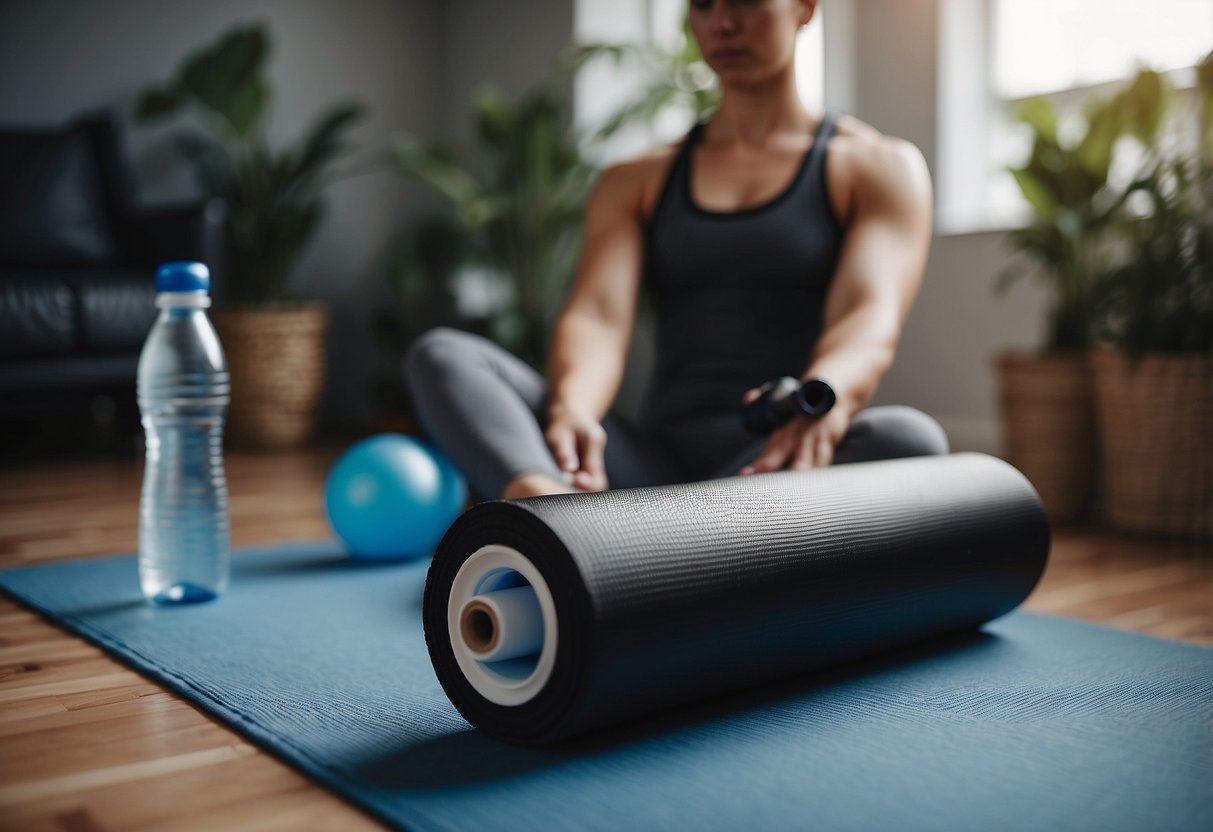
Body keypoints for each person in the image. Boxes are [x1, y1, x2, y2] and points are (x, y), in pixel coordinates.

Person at [405, 0, 948, 500]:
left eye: (744, 1)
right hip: (649, 466)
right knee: (445, 356)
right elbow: (598, 316)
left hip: (770, 466)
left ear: (805, 6)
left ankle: (627, 550)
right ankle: (551, 523)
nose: (722, 24)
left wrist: (825, 395)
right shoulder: (636, 178)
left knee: (909, 438)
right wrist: (575, 411)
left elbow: (867, 316)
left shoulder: (875, 167)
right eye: (703, 4)